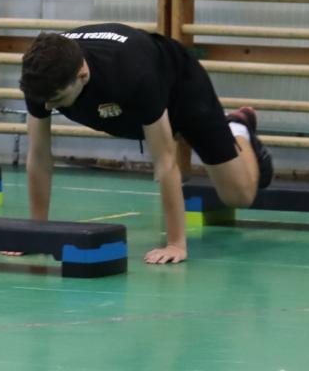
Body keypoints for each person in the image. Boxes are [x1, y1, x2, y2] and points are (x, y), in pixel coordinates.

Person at [20, 23, 272, 266]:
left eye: (56, 99)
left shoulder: (132, 71)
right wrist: (37, 234)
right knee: (118, 112)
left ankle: (238, 127)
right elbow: (39, 156)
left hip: (182, 91)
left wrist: (175, 244)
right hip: (125, 107)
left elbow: (165, 162)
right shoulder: (42, 77)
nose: (47, 107)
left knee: (238, 196)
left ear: (82, 74)